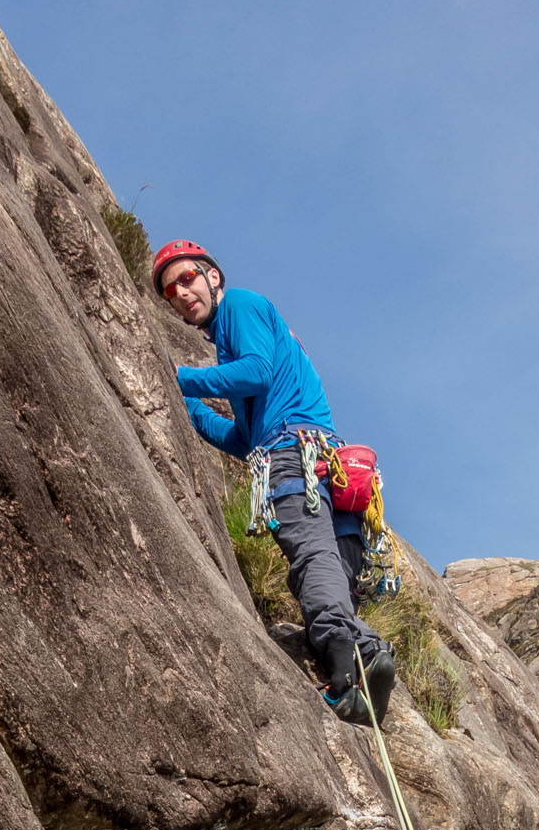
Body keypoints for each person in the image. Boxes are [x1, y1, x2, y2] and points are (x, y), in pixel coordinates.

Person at [154, 239, 395, 726]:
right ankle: (363, 662)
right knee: (334, 572)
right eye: (169, 291)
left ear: (212, 277)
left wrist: (180, 377)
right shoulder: (242, 336)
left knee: (312, 559)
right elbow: (244, 439)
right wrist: (190, 407)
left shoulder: (240, 306)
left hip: (295, 462)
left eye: (186, 278)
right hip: (332, 467)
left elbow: (257, 373)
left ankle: (351, 667)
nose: (180, 293)